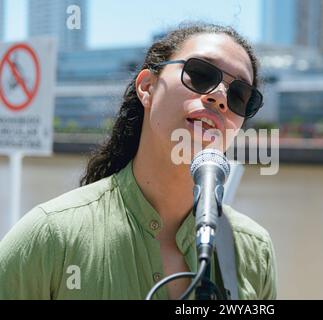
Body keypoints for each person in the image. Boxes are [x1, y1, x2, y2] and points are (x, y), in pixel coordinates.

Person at [0, 22, 277, 300]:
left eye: (240, 95)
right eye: (200, 74)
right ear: (147, 87)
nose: (220, 97)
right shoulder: (49, 237)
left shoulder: (254, 251)